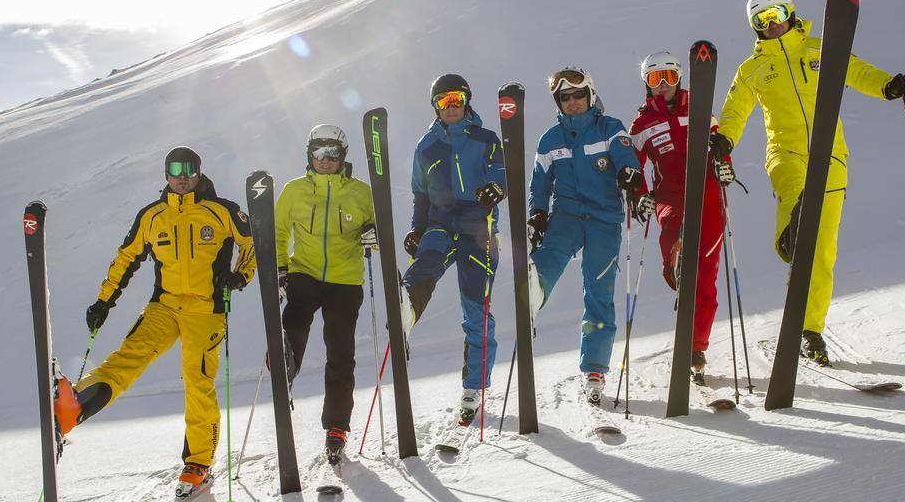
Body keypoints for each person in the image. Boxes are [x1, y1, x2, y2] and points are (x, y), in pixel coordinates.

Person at [711, 0, 905, 365]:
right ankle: (791, 237)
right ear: (754, 28)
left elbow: (858, 73)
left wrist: (890, 86)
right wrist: (724, 139)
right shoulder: (752, 69)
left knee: (823, 251)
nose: (771, 26)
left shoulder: (822, 48)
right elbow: (735, 112)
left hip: (831, 154)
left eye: (775, 16)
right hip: (785, 152)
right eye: (762, 21)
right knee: (794, 192)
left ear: (790, 13)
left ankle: (810, 330)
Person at [53, 146, 256, 498]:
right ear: (165, 175)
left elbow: (252, 243)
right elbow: (126, 258)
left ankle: (198, 462)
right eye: (175, 170)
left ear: (198, 172)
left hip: (206, 310)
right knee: (130, 355)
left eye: (189, 169)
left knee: (196, 381)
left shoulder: (222, 210)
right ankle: (74, 405)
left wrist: (240, 276)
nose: (182, 176)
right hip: (163, 306)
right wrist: (104, 301)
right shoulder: (152, 216)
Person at [527, 67, 643, 405]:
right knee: (553, 251)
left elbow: (624, 154)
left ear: (590, 95)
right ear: (558, 102)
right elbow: (539, 183)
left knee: (598, 288)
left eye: (579, 95)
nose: (574, 102)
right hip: (568, 214)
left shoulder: (609, 128)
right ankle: (534, 288)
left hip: (605, 218)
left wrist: (629, 171)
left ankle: (594, 367)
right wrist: (537, 212)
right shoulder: (550, 140)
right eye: (565, 97)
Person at [401, 73, 506, 424]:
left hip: (479, 227)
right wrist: (416, 230)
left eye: (456, 99)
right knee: (426, 262)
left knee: (476, 309)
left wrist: (497, 187)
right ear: (435, 106)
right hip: (441, 222)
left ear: (467, 100)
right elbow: (420, 194)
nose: (451, 107)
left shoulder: (486, 139)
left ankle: (473, 388)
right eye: (444, 101)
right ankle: (406, 308)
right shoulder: (426, 145)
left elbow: (503, 171)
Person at [629, 51, 735, 382]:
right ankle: (677, 263)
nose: (662, 86)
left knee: (706, 279)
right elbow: (632, 165)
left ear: (679, 79)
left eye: (669, 78)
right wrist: (639, 196)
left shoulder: (701, 110)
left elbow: (720, 148)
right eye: (655, 79)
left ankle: (695, 347)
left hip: (706, 193)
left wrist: (724, 168)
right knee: (671, 230)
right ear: (646, 83)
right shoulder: (642, 124)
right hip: (670, 195)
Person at [274, 124, 376, 463]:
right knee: (295, 321)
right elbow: (276, 231)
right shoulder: (294, 191)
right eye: (318, 152)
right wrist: (280, 268)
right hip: (304, 272)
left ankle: (336, 426)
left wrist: (373, 234)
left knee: (340, 354)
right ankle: (284, 370)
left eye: (332, 153)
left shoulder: (361, 192)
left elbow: (377, 225)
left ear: (342, 156)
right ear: (309, 154)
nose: (325, 160)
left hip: (345, 281)